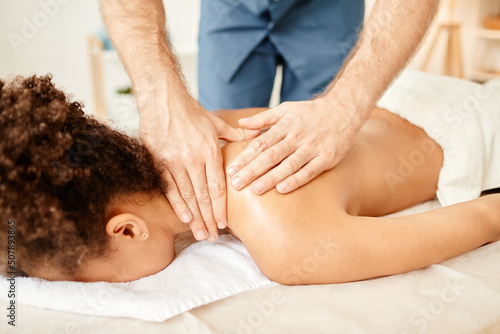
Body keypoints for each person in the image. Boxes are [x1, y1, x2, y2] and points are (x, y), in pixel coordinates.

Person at [1, 75, 499, 284]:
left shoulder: (287, 243)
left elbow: (486, 214)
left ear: (127, 229)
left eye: (98, 281)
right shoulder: (196, 132)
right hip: (407, 93)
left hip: (476, 131)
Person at [101, 0, 441, 242]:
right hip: (231, 8)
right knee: (217, 143)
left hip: (328, 9)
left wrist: (346, 106)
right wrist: (158, 98)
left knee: (325, 155)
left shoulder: (284, 244)